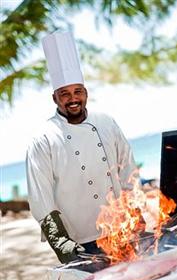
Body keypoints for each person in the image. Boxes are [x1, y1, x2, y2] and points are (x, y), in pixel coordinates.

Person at [26, 31, 137, 264]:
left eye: (77, 91)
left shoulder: (106, 122)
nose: (72, 98)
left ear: (85, 93)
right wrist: (62, 243)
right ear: (54, 98)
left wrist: (135, 212)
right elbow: (41, 197)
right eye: (64, 94)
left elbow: (128, 171)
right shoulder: (43, 138)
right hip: (81, 239)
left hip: (120, 228)